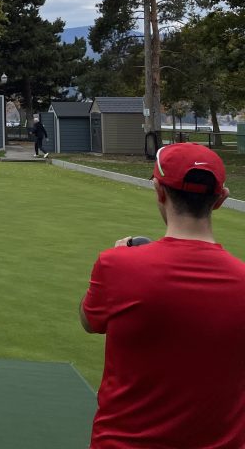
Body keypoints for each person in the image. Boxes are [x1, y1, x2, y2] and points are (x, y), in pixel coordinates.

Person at [80, 143, 245, 447]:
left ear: (159, 190)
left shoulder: (117, 264)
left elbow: (90, 321)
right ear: (221, 199)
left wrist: (121, 262)